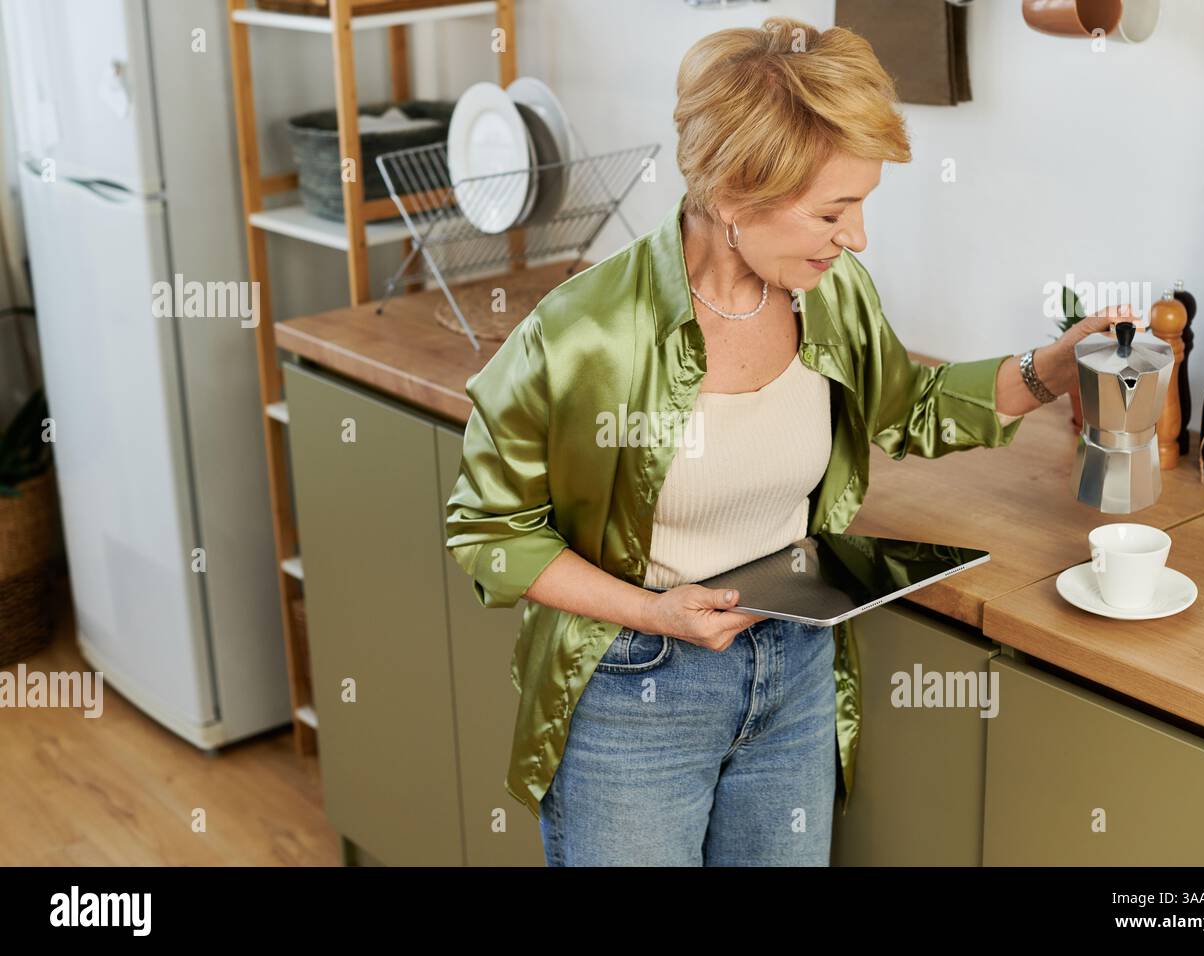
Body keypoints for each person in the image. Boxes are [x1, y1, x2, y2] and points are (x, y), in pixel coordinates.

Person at [444, 16, 1124, 866]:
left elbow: (909, 408)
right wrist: (655, 611)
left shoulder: (831, 296)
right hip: (636, 690)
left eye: (863, 206)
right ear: (733, 196)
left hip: (795, 667)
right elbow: (489, 530)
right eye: (834, 211)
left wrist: (1053, 368)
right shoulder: (583, 334)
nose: (858, 238)